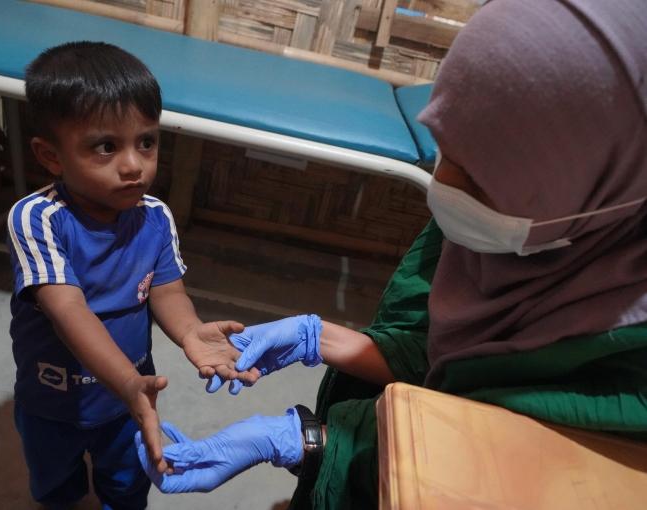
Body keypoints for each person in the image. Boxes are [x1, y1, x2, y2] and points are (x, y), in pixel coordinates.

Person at [134, 1, 647, 508]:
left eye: (487, 177)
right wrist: (318, 337)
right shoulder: (505, 228)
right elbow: (443, 362)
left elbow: (507, 470)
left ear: (611, 181)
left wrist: (304, 442)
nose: (445, 186)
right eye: (447, 146)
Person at [6, 41, 249, 509]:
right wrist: (127, 382)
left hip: (130, 399)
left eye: (146, 141)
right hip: (52, 399)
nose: (134, 164)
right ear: (51, 156)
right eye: (105, 146)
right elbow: (68, 310)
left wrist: (191, 333)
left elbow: (168, 291)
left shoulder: (155, 215)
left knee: (127, 484)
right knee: (56, 488)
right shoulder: (37, 218)